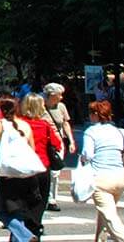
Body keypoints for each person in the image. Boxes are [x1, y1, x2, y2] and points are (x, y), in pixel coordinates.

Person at [81, 99, 124, 242]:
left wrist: (82, 159)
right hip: (119, 178)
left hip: (100, 178)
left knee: (111, 218)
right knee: (105, 213)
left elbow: (88, 154)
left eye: (90, 113)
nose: (89, 116)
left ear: (96, 115)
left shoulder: (91, 131)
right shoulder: (119, 131)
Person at [0, 97, 40, 242]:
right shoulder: (25, 125)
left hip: (7, 174)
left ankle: (26, 236)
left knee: (2, 212)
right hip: (25, 174)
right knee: (18, 212)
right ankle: (22, 237)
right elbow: (32, 148)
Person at [19, 93, 62, 236]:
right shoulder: (44, 125)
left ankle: (23, 234)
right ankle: (35, 231)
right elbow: (57, 144)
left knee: (23, 205)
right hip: (43, 167)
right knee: (39, 205)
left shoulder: (18, 124)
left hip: (23, 169)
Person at [41, 82, 74, 212]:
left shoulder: (61, 107)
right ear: (52, 95)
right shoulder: (40, 106)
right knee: (42, 171)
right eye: (59, 95)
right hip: (43, 142)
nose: (61, 97)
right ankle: (43, 196)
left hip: (57, 142)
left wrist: (71, 141)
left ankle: (52, 199)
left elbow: (65, 124)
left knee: (55, 172)